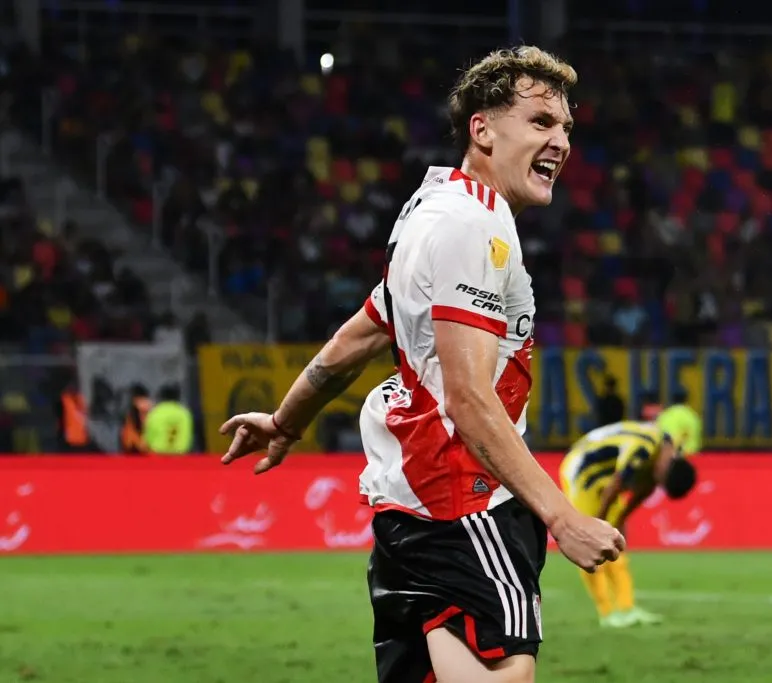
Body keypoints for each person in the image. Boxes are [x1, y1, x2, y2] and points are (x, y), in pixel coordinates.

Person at [217, 46, 625, 683]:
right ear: (482, 130)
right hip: (467, 503)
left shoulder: (431, 211)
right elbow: (469, 399)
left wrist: (285, 420)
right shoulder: (473, 226)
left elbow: (360, 335)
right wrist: (563, 517)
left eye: (566, 127)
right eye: (542, 122)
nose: (561, 142)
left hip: (412, 511)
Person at [559, 420, 697, 628]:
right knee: (589, 542)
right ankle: (607, 613)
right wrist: (599, 523)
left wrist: (621, 519)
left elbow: (645, 490)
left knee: (616, 543)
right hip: (581, 470)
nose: (658, 481)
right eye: (660, 478)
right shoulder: (643, 448)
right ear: (667, 466)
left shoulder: (664, 455)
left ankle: (626, 609)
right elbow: (617, 484)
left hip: (606, 476)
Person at [143, 385, 194, 454]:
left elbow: (148, 438)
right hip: (180, 455)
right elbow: (188, 436)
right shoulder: (184, 413)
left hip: (159, 455)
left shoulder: (155, 412)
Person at [655, 389, 703, 456]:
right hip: (692, 456)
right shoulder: (692, 416)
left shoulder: (664, 415)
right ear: (686, 399)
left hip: (669, 456)